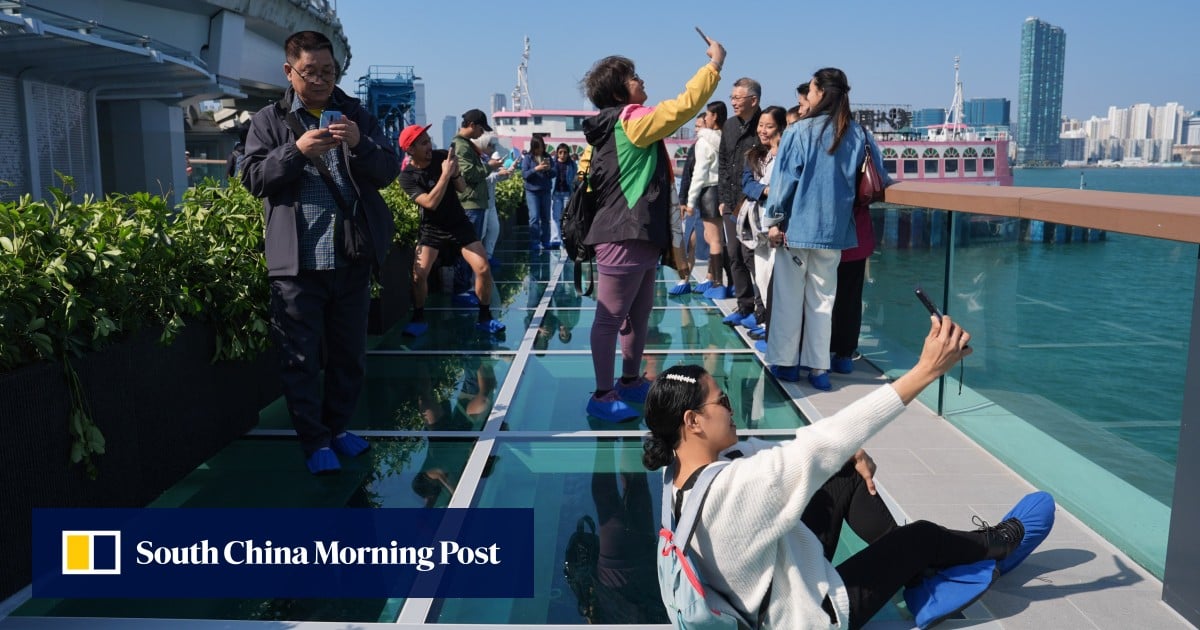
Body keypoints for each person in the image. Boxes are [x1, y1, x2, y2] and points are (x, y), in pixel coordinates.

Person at [643, 317, 1048, 629]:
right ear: (693, 421)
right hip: (811, 616)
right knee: (918, 537)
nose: (731, 406)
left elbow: (797, 452)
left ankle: (924, 577)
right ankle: (997, 544)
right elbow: (816, 445)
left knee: (841, 473)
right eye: (722, 399)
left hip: (770, 582)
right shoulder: (735, 490)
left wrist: (844, 454)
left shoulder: (679, 474)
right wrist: (925, 371)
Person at [241, 30, 399, 474]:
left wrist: (358, 143)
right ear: (289, 72)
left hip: (350, 256)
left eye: (329, 72)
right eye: (311, 73)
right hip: (297, 264)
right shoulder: (268, 121)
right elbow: (252, 179)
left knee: (350, 354)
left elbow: (388, 169)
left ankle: (338, 429)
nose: (322, 80)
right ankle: (314, 442)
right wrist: (296, 151)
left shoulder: (355, 115)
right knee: (300, 359)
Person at [579, 35, 725, 423]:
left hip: (639, 235)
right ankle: (602, 392)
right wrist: (713, 67)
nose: (642, 81)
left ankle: (629, 381)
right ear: (618, 90)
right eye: (634, 77)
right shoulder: (632, 119)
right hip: (623, 233)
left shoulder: (621, 124)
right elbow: (680, 109)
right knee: (611, 316)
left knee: (639, 313)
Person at [763, 68, 887, 391]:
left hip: (797, 228)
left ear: (817, 93)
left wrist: (773, 220)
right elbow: (881, 175)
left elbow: (783, 183)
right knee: (823, 300)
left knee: (790, 298)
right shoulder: (857, 133)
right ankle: (819, 369)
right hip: (834, 231)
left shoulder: (799, 131)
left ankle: (787, 364)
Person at [396, 123, 505, 337]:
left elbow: (462, 188)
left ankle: (485, 317)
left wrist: (454, 173)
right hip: (432, 229)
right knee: (419, 276)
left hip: (458, 224)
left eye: (429, 140)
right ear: (411, 149)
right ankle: (418, 317)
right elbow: (429, 203)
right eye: (424, 143)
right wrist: (445, 175)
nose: (430, 145)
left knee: (482, 269)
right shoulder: (407, 177)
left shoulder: (442, 157)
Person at [738, 105, 788, 343]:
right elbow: (746, 183)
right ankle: (770, 325)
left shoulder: (785, 155)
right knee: (762, 277)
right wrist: (764, 190)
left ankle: (776, 332)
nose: (763, 131)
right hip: (758, 226)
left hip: (779, 225)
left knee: (776, 280)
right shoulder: (754, 155)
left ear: (780, 128)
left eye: (769, 126)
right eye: (761, 125)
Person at [718, 77, 764, 328]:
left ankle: (762, 311)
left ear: (753, 100)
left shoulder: (764, 124)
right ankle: (743, 305)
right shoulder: (729, 126)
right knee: (734, 254)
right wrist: (724, 199)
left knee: (754, 258)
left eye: (737, 98)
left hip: (753, 203)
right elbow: (723, 163)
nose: (733, 102)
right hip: (731, 203)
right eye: (732, 97)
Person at [450, 109, 494, 304]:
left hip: (475, 202)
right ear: (472, 125)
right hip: (470, 203)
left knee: (472, 245)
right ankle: (461, 289)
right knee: (468, 247)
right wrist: (489, 166)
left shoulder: (465, 144)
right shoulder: (461, 146)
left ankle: (466, 286)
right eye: (481, 129)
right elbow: (469, 174)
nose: (482, 134)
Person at [687, 101, 729, 299]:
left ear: (714, 117)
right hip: (722, 191)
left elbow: (699, 173)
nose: (704, 119)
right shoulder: (725, 139)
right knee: (715, 237)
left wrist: (690, 199)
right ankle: (716, 278)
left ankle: (717, 282)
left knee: (713, 239)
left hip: (709, 192)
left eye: (707, 115)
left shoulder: (704, 142)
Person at [521, 136, 554, 252]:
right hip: (532, 192)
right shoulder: (527, 158)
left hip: (545, 191)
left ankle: (546, 241)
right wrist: (536, 168)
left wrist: (549, 169)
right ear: (533, 147)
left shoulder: (547, 157)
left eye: (541, 148)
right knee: (534, 217)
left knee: (545, 217)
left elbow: (554, 173)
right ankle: (534, 242)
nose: (540, 150)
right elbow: (524, 174)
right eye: (537, 148)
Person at [549, 142, 578, 249]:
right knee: (555, 216)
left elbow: (576, 179)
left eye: (565, 152)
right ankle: (556, 239)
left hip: (567, 194)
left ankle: (566, 239)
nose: (563, 155)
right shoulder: (553, 163)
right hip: (555, 193)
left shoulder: (572, 165)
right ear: (557, 153)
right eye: (560, 152)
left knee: (566, 217)